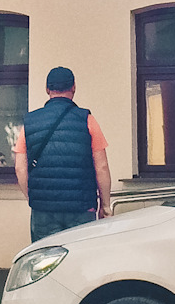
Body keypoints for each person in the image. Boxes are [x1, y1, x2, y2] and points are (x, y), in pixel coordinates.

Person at [14, 66, 112, 242]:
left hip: (43, 210)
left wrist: (34, 197)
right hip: (82, 208)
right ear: (74, 87)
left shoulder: (29, 122)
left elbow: (20, 169)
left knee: (45, 261)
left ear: (47, 89)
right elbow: (102, 167)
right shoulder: (87, 120)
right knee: (80, 261)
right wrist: (105, 205)